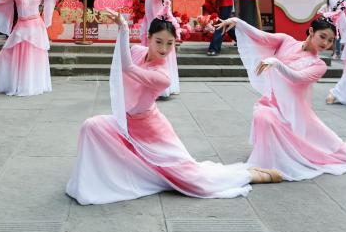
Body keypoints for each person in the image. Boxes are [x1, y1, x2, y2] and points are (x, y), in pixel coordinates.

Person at [65, 11, 279, 205]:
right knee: (91, 126)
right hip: (125, 123)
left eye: (170, 44)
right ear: (148, 38)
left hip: (151, 132)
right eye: (159, 42)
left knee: (194, 181)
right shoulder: (137, 51)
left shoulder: (162, 76)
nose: (164, 49)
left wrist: (123, 28)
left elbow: (127, 68)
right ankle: (92, 182)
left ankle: (251, 175)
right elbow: (125, 61)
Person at [216, 15, 346, 181]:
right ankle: (268, 163)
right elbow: (261, 37)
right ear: (311, 31)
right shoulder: (286, 41)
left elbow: (297, 78)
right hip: (271, 103)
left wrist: (276, 63)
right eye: (322, 37)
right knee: (263, 116)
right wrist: (238, 22)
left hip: (295, 112)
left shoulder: (319, 65)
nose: (326, 43)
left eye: (331, 40)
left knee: (340, 153)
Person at [127, 0, 182, 97]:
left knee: (161, 55)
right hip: (150, 23)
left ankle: (162, 86)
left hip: (160, 26)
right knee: (149, 54)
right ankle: (148, 84)